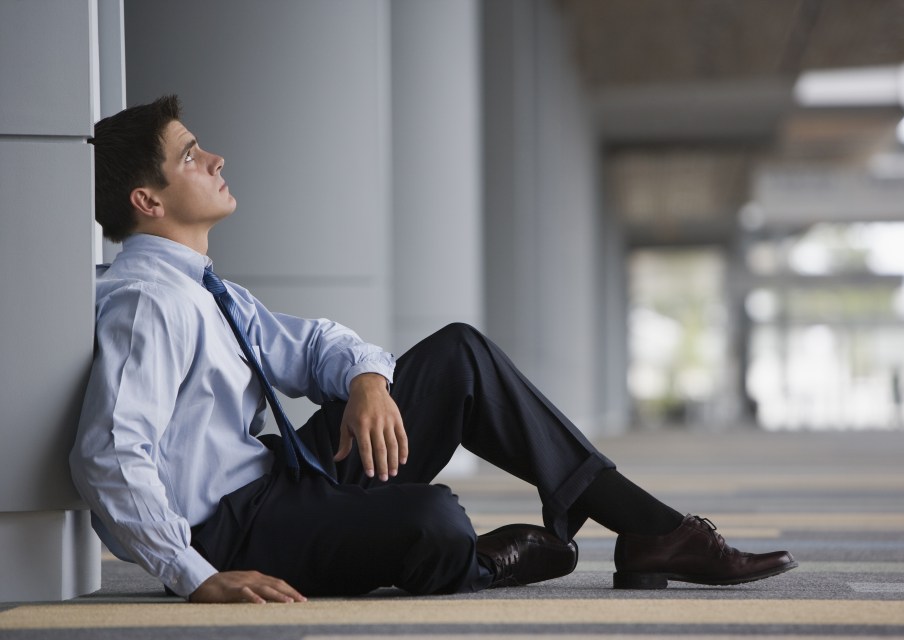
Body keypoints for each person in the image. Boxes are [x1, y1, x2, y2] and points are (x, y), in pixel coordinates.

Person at [70, 95, 797, 604]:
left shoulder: (200, 287)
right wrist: (193, 574)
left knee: (460, 356)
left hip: (280, 479)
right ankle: (475, 564)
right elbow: (109, 454)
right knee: (436, 522)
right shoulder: (147, 304)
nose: (216, 157)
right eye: (192, 155)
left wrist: (365, 381)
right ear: (148, 200)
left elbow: (315, 343)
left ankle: (648, 529)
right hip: (232, 528)